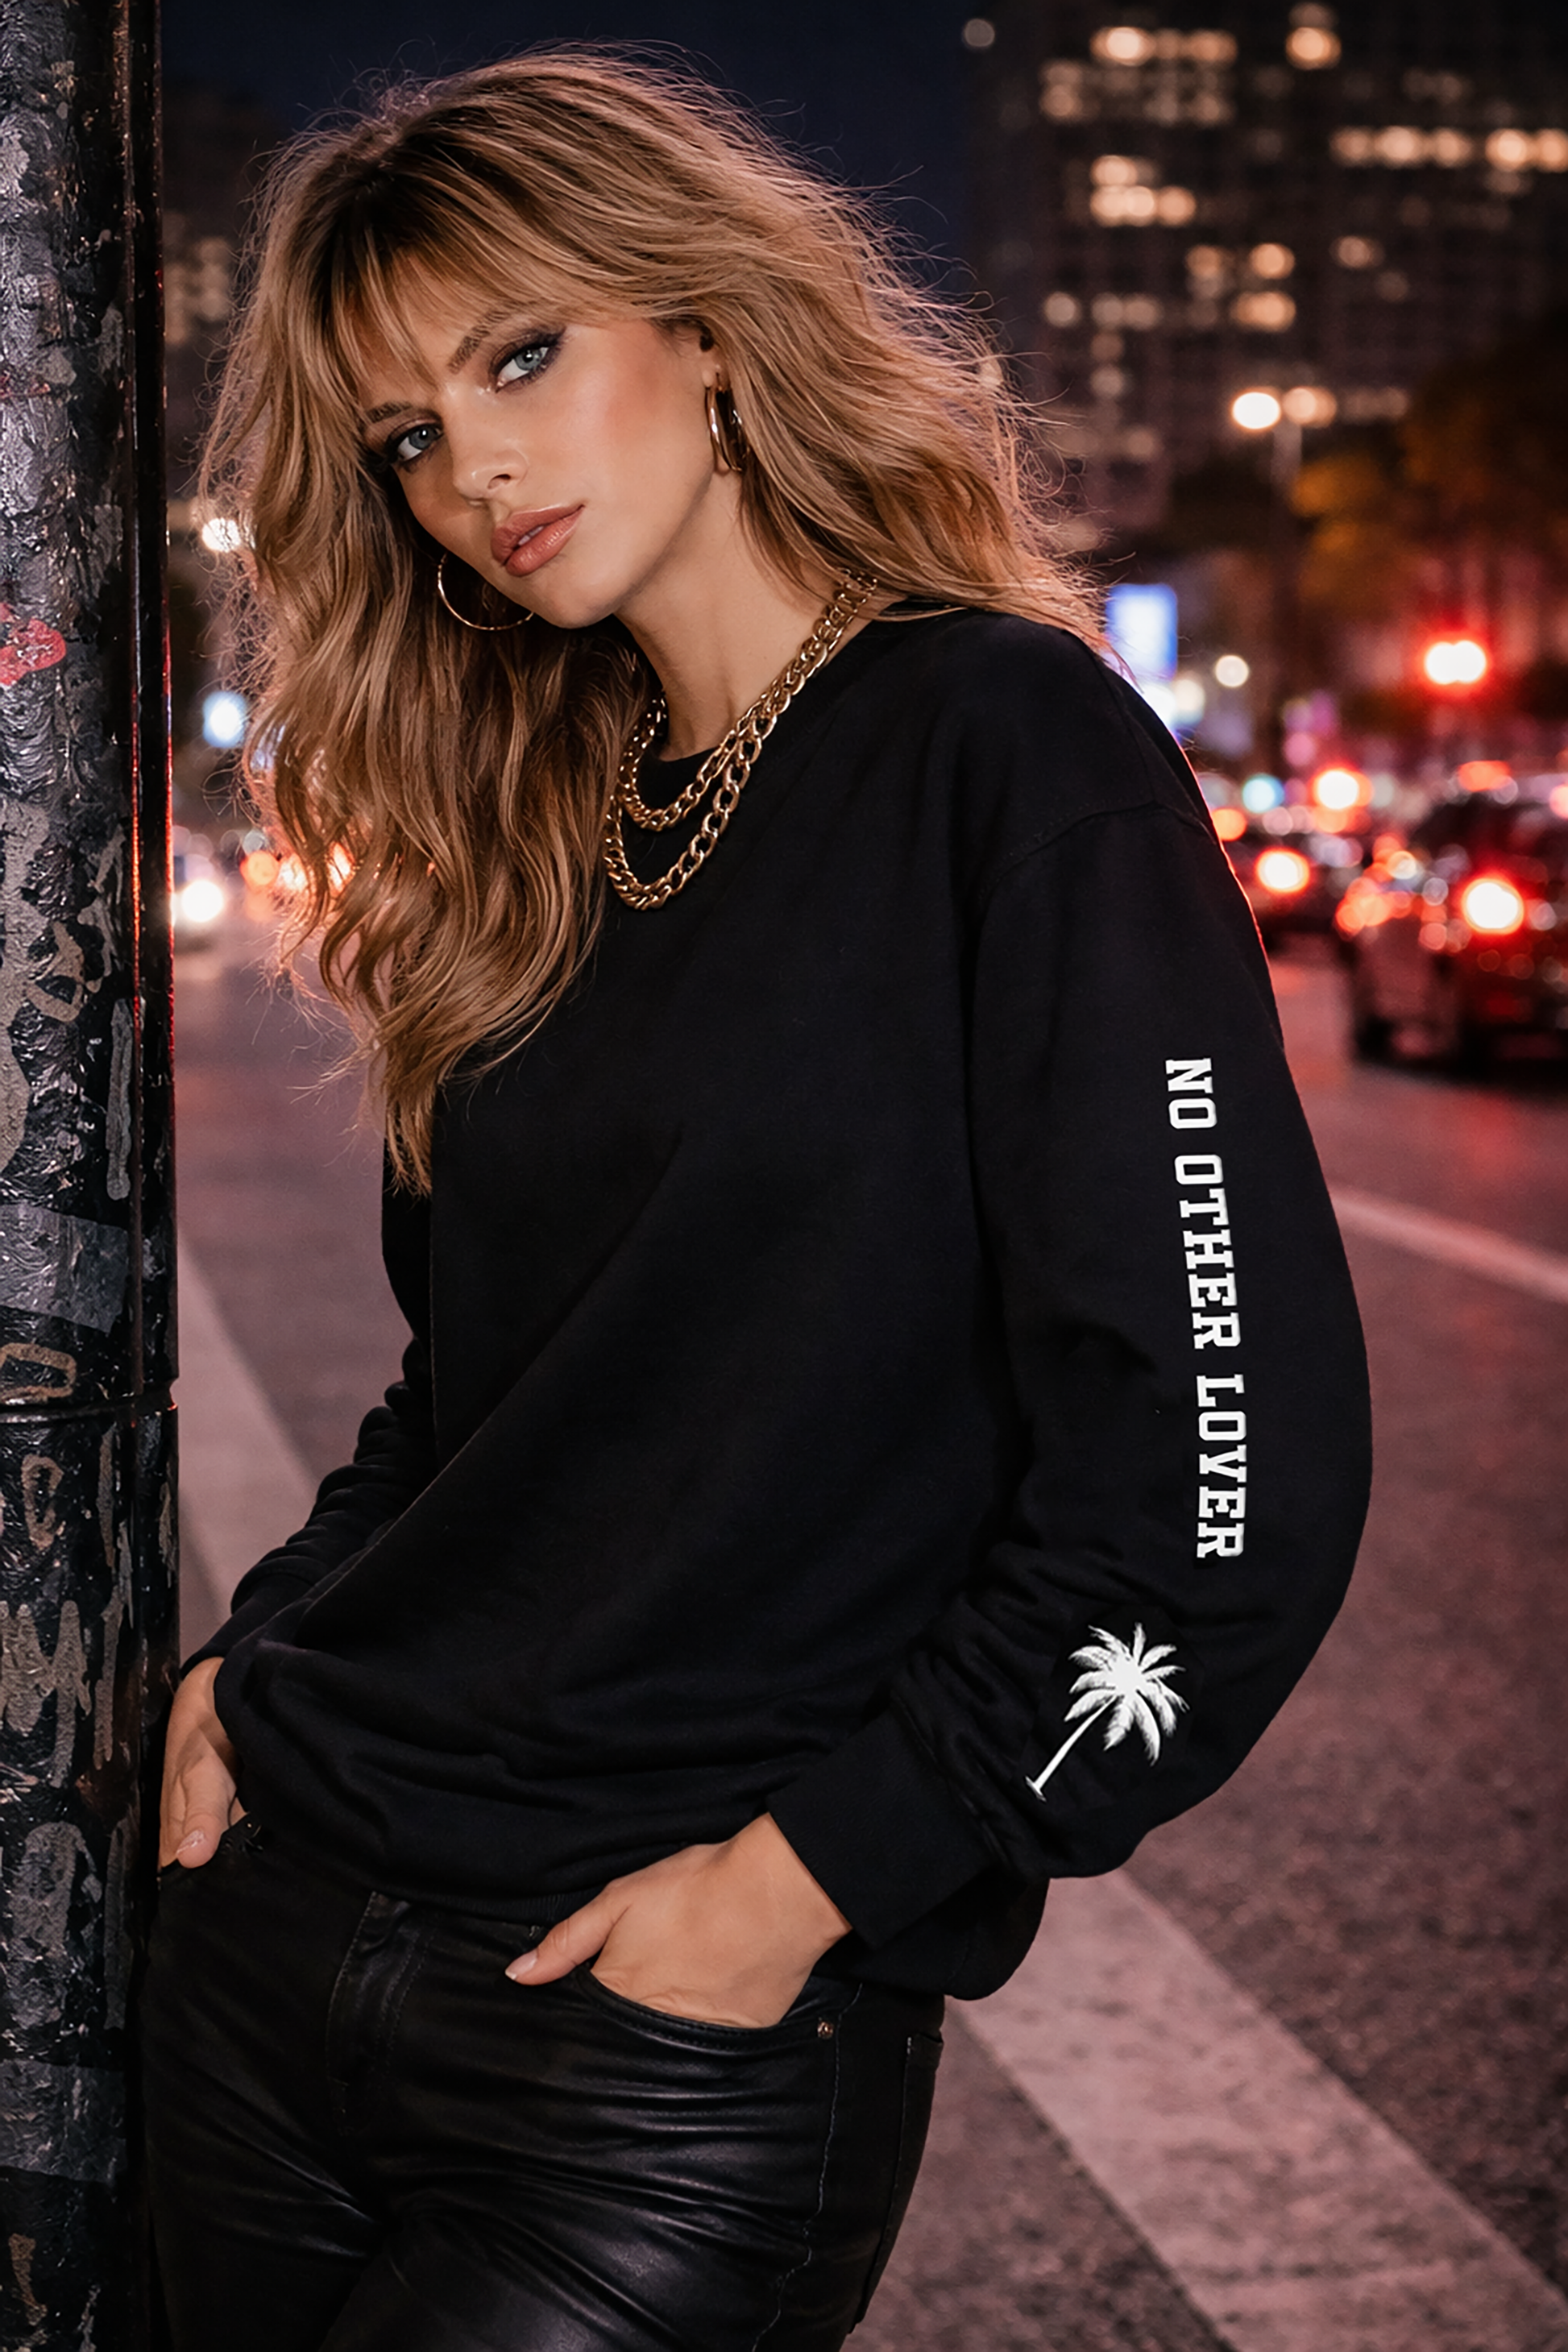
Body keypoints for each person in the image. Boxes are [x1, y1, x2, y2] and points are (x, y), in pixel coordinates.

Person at [143, 51, 1371, 2352]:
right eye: (408, 433)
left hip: (648, 2050)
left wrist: (820, 1879)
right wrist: (262, 1654)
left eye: (523, 355)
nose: (476, 466)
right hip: (275, 1944)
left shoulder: (1008, 749)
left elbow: (1225, 1486)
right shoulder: (540, 827)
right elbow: (488, 1398)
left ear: (704, 327)